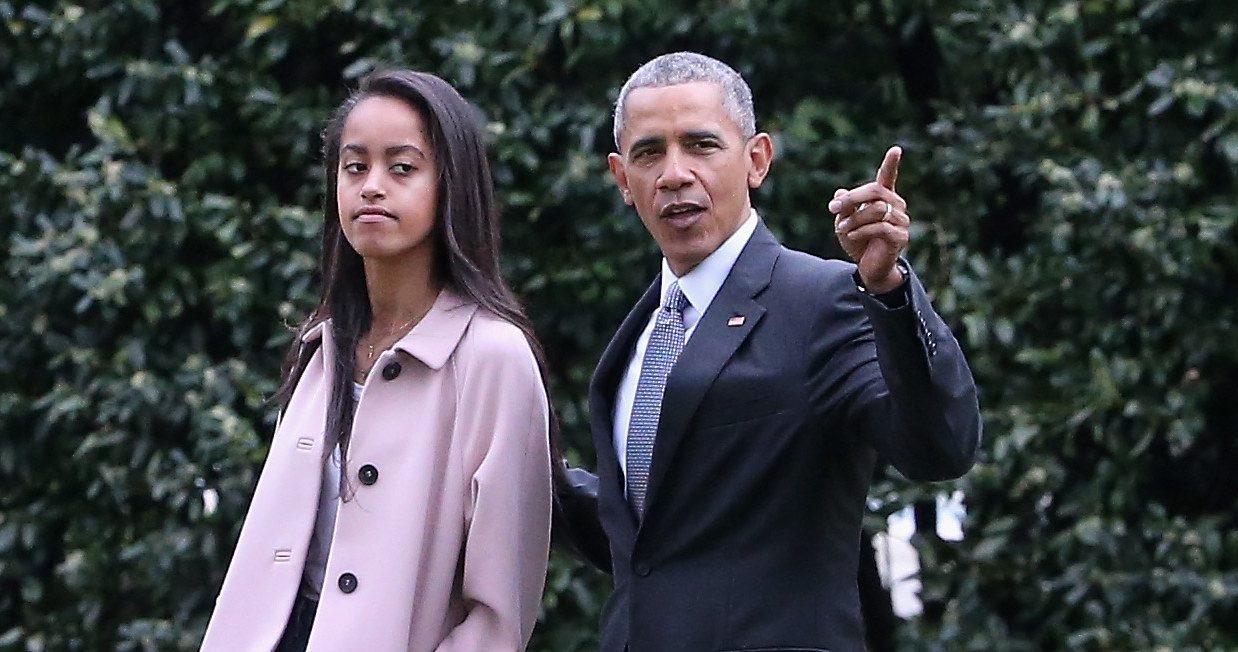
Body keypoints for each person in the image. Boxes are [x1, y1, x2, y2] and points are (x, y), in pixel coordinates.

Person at [580, 51, 982, 652]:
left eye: (701, 145)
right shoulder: (639, 335)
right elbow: (654, 539)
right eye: (648, 153)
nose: (674, 173)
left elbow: (940, 447)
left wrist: (890, 293)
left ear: (756, 160)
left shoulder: (823, 300)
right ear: (622, 180)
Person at [201, 69, 554, 652]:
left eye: (403, 167)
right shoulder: (325, 348)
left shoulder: (493, 357)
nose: (371, 186)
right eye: (355, 165)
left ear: (450, 185)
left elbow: (498, 616)